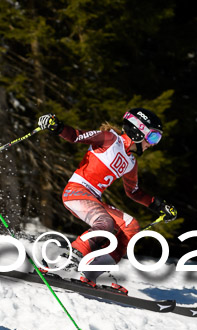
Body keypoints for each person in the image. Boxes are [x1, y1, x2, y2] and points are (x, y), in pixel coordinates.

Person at [36, 108, 177, 292]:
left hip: (94, 199)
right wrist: (57, 126)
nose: (154, 144)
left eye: (157, 139)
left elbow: (134, 192)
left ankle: (90, 273)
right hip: (76, 191)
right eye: (152, 137)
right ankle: (66, 260)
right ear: (138, 130)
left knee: (131, 227)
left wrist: (160, 206)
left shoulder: (131, 163)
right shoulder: (110, 138)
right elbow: (76, 136)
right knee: (105, 223)